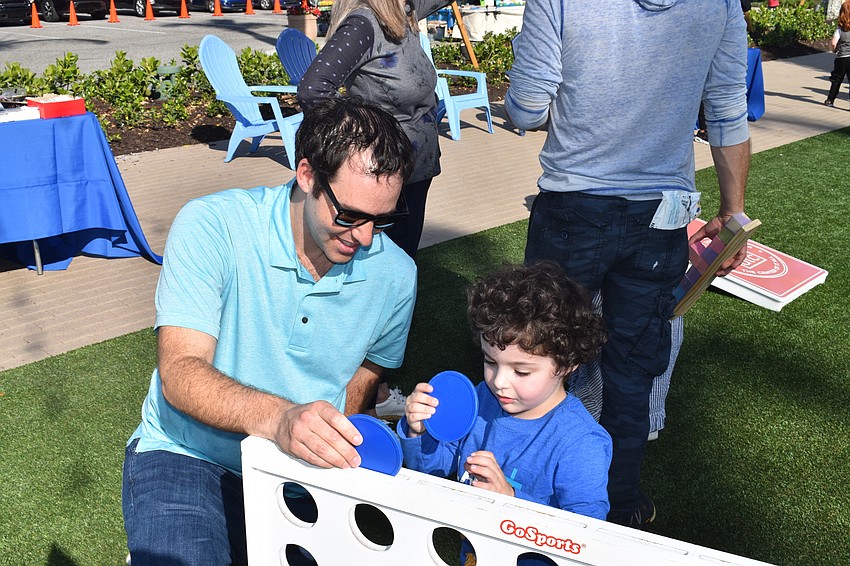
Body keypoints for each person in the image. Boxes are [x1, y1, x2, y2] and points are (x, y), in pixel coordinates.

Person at [121, 97, 418, 566]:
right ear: (306, 175)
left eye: (381, 221)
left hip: (303, 473)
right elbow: (180, 372)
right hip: (187, 455)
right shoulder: (213, 225)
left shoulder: (397, 275)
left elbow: (360, 387)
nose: (363, 237)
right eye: (350, 215)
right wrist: (281, 420)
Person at [506, 0, 751, 529]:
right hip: (660, 216)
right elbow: (728, 108)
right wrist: (733, 211)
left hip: (573, 205)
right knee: (629, 374)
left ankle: (536, 493)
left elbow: (525, 108)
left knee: (537, 357)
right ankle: (619, 508)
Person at [399, 262, 612, 565]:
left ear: (566, 365)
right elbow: (434, 470)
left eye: (521, 371)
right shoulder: (483, 398)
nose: (499, 382)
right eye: (490, 362)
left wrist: (511, 503)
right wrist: (419, 433)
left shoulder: (580, 444)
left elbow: (586, 539)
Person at [297, 0, 453, 261]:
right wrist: (358, 146)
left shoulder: (404, 11)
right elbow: (313, 89)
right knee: (378, 268)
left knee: (400, 265)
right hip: (382, 177)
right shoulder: (364, 24)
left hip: (414, 172)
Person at [824, 0, 850, 108]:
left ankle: (830, 100)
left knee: (837, 79)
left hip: (842, 58)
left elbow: (833, 43)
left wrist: (834, 50)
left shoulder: (839, 29)